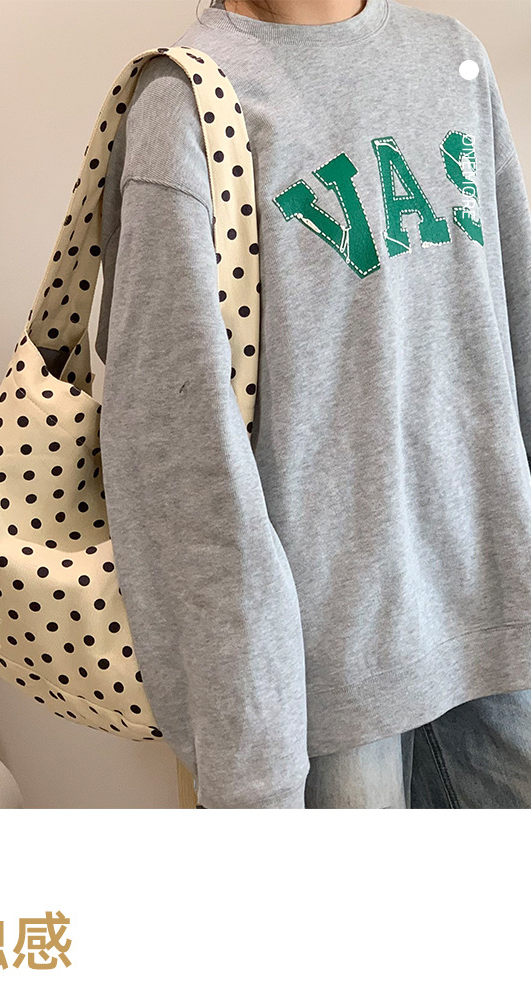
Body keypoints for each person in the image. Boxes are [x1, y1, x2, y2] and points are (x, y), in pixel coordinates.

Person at [95, 0, 531, 808]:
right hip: (325, 677)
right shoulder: (187, 100)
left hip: (499, 609)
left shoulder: (451, 59)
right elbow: (176, 459)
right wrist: (251, 754)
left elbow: (517, 324)